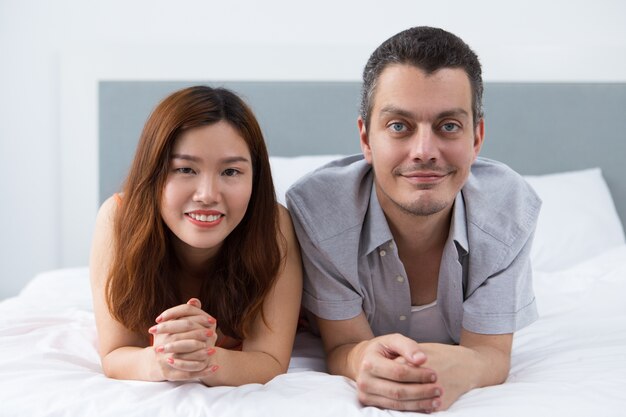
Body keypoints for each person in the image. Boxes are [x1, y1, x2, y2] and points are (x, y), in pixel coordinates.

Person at [286, 26, 541, 412]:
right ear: (366, 139)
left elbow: (490, 352)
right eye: (399, 126)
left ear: (476, 139)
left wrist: (466, 368)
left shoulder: (509, 211)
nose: (424, 151)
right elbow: (341, 346)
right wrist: (363, 359)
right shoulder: (320, 215)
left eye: (449, 126)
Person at [90, 85, 302, 386]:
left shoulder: (273, 225)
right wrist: (161, 360)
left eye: (230, 172)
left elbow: (270, 360)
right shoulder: (117, 219)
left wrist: (205, 359)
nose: (207, 195)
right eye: (185, 169)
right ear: (153, 173)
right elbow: (115, 354)